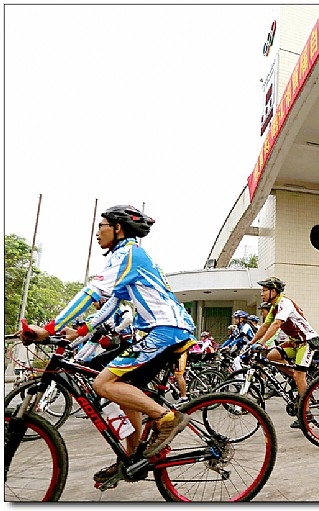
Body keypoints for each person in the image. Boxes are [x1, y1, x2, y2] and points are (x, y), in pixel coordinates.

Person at [18, 205, 195, 483]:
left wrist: (49, 328)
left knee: (103, 384)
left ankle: (167, 418)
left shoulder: (128, 254)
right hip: (162, 330)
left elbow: (93, 292)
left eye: (101, 226)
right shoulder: (124, 256)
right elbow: (109, 304)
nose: (97, 232)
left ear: (118, 228)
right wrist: (78, 332)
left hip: (167, 330)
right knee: (123, 390)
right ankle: (132, 457)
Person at [248, 277, 319, 428]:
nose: (261, 294)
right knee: (272, 356)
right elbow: (265, 326)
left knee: (300, 377)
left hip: (306, 342)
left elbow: (276, 324)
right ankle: (295, 378)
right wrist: (251, 343)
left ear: (274, 291)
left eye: (264, 290)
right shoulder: (273, 307)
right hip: (294, 342)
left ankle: (307, 414)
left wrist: (261, 344)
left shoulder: (285, 303)